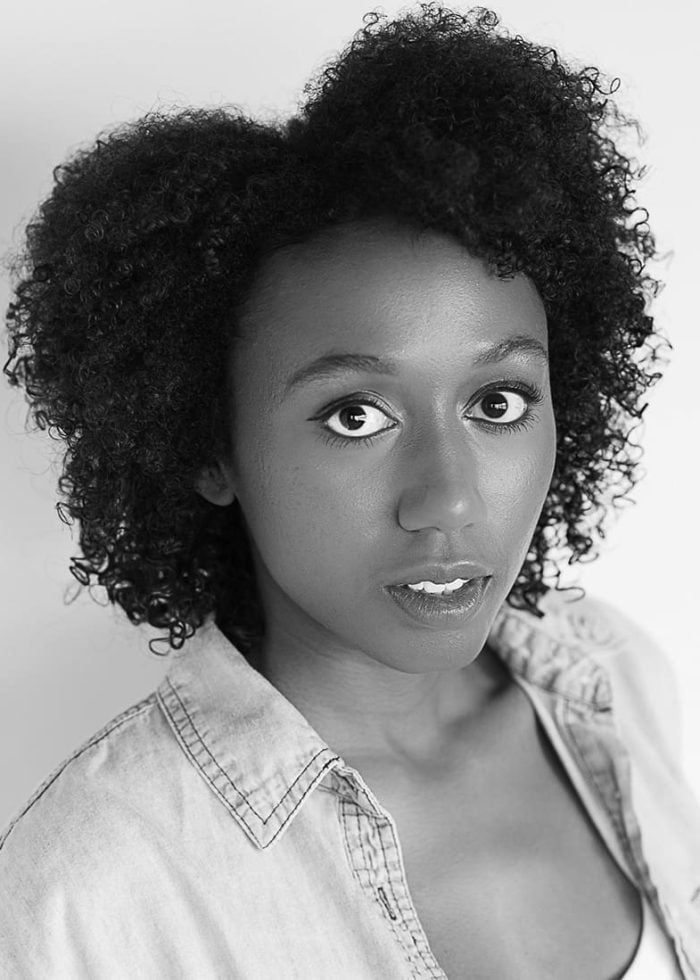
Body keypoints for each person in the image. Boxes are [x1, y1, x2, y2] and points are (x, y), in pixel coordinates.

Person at [1, 2, 698, 976]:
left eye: (497, 399)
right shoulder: (91, 896)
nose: (448, 499)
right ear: (211, 445)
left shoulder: (618, 678)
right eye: (355, 415)